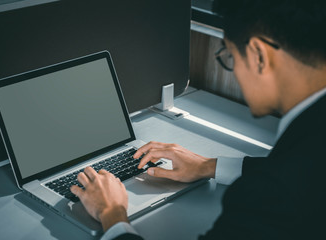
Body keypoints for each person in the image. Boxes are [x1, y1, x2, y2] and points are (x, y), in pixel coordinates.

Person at [70, 0, 326, 239]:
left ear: (259, 55)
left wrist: (112, 214)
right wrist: (209, 165)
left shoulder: (271, 198)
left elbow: (286, 180)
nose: (235, 70)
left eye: (230, 57)